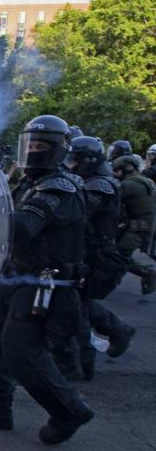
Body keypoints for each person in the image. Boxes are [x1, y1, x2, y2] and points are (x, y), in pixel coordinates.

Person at [0, 115, 94, 445]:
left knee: (21, 350)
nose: (32, 151)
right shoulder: (30, 183)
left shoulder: (60, 187)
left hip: (45, 283)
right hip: (16, 276)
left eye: (40, 146)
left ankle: (68, 410)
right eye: (29, 144)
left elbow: (22, 226)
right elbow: (3, 216)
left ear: (58, 149)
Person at [51, 136, 134, 380]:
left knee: (75, 309)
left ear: (88, 160)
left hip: (95, 255)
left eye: (74, 160)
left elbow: (76, 214)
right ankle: (118, 330)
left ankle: (82, 364)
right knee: (77, 303)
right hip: (85, 251)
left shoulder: (100, 186)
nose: (71, 165)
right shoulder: (96, 181)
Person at [112, 154, 156, 295]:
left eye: (117, 170)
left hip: (138, 227)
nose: (115, 173)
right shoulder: (144, 181)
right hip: (140, 226)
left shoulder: (129, 185)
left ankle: (148, 273)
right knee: (120, 254)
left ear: (127, 168)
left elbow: (111, 205)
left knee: (119, 255)